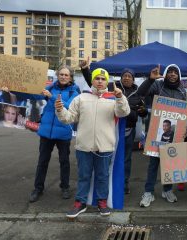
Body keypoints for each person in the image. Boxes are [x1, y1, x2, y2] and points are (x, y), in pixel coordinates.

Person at [55, 68, 130, 218]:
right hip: (84, 145)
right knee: (84, 175)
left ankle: (102, 201)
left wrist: (121, 97)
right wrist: (60, 110)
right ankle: (80, 202)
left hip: (105, 146)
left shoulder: (113, 99)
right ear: (93, 80)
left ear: (106, 81)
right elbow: (68, 118)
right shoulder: (81, 98)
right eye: (97, 78)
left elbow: (123, 112)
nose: (100, 81)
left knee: (102, 176)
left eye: (103, 79)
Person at [80, 60, 148, 194]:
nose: (127, 78)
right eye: (125, 76)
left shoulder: (138, 93)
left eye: (129, 76)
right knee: (109, 157)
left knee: (126, 159)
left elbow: (144, 112)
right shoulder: (112, 87)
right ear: (121, 78)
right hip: (112, 129)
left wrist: (142, 111)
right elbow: (94, 84)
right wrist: (85, 70)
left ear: (133, 79)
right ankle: (107, 182)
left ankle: (124, 184)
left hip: (129, 130)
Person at [137, 64, 187, 208]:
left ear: (178, 75)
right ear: (165, 74)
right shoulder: (158, 85)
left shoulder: (182, 90)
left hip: (173, 134)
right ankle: (148, 192)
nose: (172, 74)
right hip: (156, 132)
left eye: (175, 72)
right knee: (153, 164)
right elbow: (141, 92)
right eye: (170, 72)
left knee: (169, 163)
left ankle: (167, 190)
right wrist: (150, 79)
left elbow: (183, 112)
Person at [29, 65, 80, 203]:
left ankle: (65, 187)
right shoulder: (51, 87)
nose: (63, 77)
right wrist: (13, 89)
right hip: (46, 132)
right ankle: (38, 188)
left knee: (64, 161)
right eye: (61, 74)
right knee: (42, 161)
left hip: (63, 132)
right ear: (58, 75)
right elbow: (33, 95)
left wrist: (51, 97)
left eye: (66, 75)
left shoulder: (74, 91)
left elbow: (68, 106)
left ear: (70, 77)